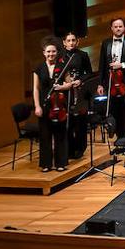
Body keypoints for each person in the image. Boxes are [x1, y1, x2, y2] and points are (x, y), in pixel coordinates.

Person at [32, 38, 77, 172]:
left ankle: (60, 163)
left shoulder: (63, 66)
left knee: (60, 134)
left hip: (59, 104)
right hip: (45, 104)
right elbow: (36, 88)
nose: (51, 54)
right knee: (45, 134)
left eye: (53, 51)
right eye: (48, 52)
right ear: (44, 53)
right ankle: (46, 164)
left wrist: (61, 87)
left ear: (57, 52)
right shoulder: (39, 68)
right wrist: (37, 106)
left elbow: (70, 84)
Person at [97, 17, 125, 138]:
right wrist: (100, 84)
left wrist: (122, 65)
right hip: (111, 82)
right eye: (115, 26)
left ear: (124, 28)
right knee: (114, 110)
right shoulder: (106, 42)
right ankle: (119, 138)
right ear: (111, 28)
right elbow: (102, 65)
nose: (118, 28)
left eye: (120, 26)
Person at [58, 31, 93, 158]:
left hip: (79, 91)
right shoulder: (60, 56)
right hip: (65, 92)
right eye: (69, 40)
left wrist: (80, 80)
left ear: (77, 41)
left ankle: (80, 148)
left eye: (74, 40)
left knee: (80, 121)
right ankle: (69, 148)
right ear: (64, 42)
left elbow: (89, 72)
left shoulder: (83, 55)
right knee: (68, 120)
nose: (71, 43)